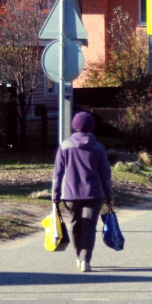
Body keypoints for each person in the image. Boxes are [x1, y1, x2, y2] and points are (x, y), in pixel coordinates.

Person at [52, 112, 113, 272]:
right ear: (91, 127)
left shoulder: (65, 146)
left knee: (75, 225)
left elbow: (57, 174)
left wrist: (55, 197)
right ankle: (86, 260)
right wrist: (109, 195)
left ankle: (79, 257)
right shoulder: (99, 147)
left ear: (74, 126)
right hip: (94, 194)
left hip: (70, 195)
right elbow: (105, 174)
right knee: (89, 226)